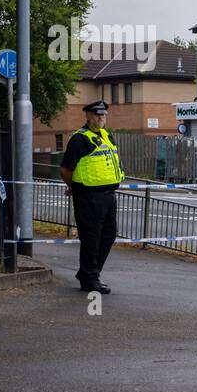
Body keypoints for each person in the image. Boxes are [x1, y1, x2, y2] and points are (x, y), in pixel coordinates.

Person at [60, 100, 125, 294]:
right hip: (88, 196)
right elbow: (65, 169)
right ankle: (90, 279)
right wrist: (74, 187)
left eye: (103, 114)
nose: (100, 117)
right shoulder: (80, 139)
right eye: (97, 114)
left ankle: (89, 273)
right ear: (87, 116)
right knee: (91, 238)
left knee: (108, 235)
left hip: (108, 195)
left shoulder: (107, 136)